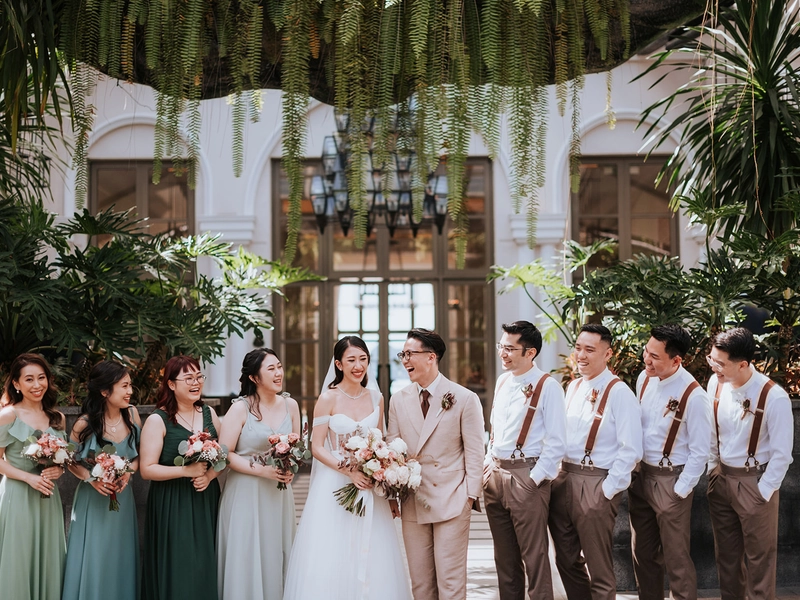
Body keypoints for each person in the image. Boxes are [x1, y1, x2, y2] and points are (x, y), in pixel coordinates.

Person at [283, 336, 411, 600]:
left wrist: (382, 476)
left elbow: (382, 441)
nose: (358, 366)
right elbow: (316, 447)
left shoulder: (377, 398)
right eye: (351, 360)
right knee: (334, 549)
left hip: (369, 484)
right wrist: (348, 471)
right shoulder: (327, 398)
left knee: (373, 549)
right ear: (339, 364)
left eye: (363, 359)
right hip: (334, 482)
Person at [387, 328, 485, 600]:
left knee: (450, 582)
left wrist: (470, 496)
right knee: (420, 582)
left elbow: (475, 451)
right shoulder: (398, 399)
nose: (405, 360)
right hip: (412, 500)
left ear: (431, 357)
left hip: (452, 499)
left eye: (411, 354)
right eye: (403, 354)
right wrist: (392, 494)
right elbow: (394, 450)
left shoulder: (464, 398)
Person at [548, 324, 643, 600]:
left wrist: (608, 489)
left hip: (595, 483)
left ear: (608, 353)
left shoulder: (620, 392)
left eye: (590, 350)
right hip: (564, 478)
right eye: (578, 348)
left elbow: (631, 449)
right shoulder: (574, 386)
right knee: (565, 560)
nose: (582, 355)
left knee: (599, 567)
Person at [706, 327, 793, 599]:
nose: (714, 367)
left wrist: (763, 491)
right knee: (726, 559)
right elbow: (711, 433)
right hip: (721, 479)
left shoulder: (773, 396)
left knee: (760, 561)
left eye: (720, 363)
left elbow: (782, 454)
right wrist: (712, 471)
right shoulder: (714, 384)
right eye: (712, 359)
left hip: (754, 483)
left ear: (743, 364)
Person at [483, 321, 566, 600]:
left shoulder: (548, 386)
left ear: (530, 353)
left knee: (535, 558)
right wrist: (487, 463)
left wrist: (533, 480)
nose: (503, 353)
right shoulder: (503, 380)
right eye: (501, 347)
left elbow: (557, 443)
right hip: (495, 475)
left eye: (509, 348)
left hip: (526, 476)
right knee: (505, 560)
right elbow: (497, 427)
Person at [629, 324, 712, 600]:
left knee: (677, 558)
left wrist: (680, 490)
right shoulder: (644, 379)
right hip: (641, 478)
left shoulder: (695, 396)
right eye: (646, 351)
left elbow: (701, 451)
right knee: (642, 554)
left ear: (677, 360)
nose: (646, 359)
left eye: (654, 356)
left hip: (671, 480)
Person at [217, 348, 301, 600]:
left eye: (279, 367)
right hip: (245, 492)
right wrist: (263, 470)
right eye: (271, 369)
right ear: (254, 378)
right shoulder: (241, 409)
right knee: (247, 554)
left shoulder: (291, 405)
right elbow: (225, 454)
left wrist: (290, 469)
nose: (278, 373)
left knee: (276, 551)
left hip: (278, 495)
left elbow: (296, 447)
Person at [140, 356, 222, 600]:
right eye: (188, 378)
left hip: (205, 496)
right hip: (172, 502)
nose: (196, 382)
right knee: (179, 564)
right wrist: (185, 471)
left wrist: (208, 475)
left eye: (199, 377)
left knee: (205, 562)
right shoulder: (158, 420)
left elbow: (223, 455)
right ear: (171, 384)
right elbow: (147, 469)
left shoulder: (209, 413)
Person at [63, 361, 143, 600]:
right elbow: (69, 460)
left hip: (123, 499)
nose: (130, 391)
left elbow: (140, 457)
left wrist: (129, 471)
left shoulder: (133, 415)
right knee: (95, 556)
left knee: (120, 555)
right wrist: (91, 479)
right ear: (105, 391)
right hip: (93, 499)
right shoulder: (84, 424)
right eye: (124, 386)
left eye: (130, 385)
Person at [0, 353, 68, 600]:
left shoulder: (57, 418)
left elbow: (63, 458)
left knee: (48, 557)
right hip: (18, 495)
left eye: (41, 378)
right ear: (16, 384)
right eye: (29, 379)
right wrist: (28, 478)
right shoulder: (8, 416)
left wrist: (58, 470)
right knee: (18, 557)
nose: (37, 385)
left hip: (48, 497)